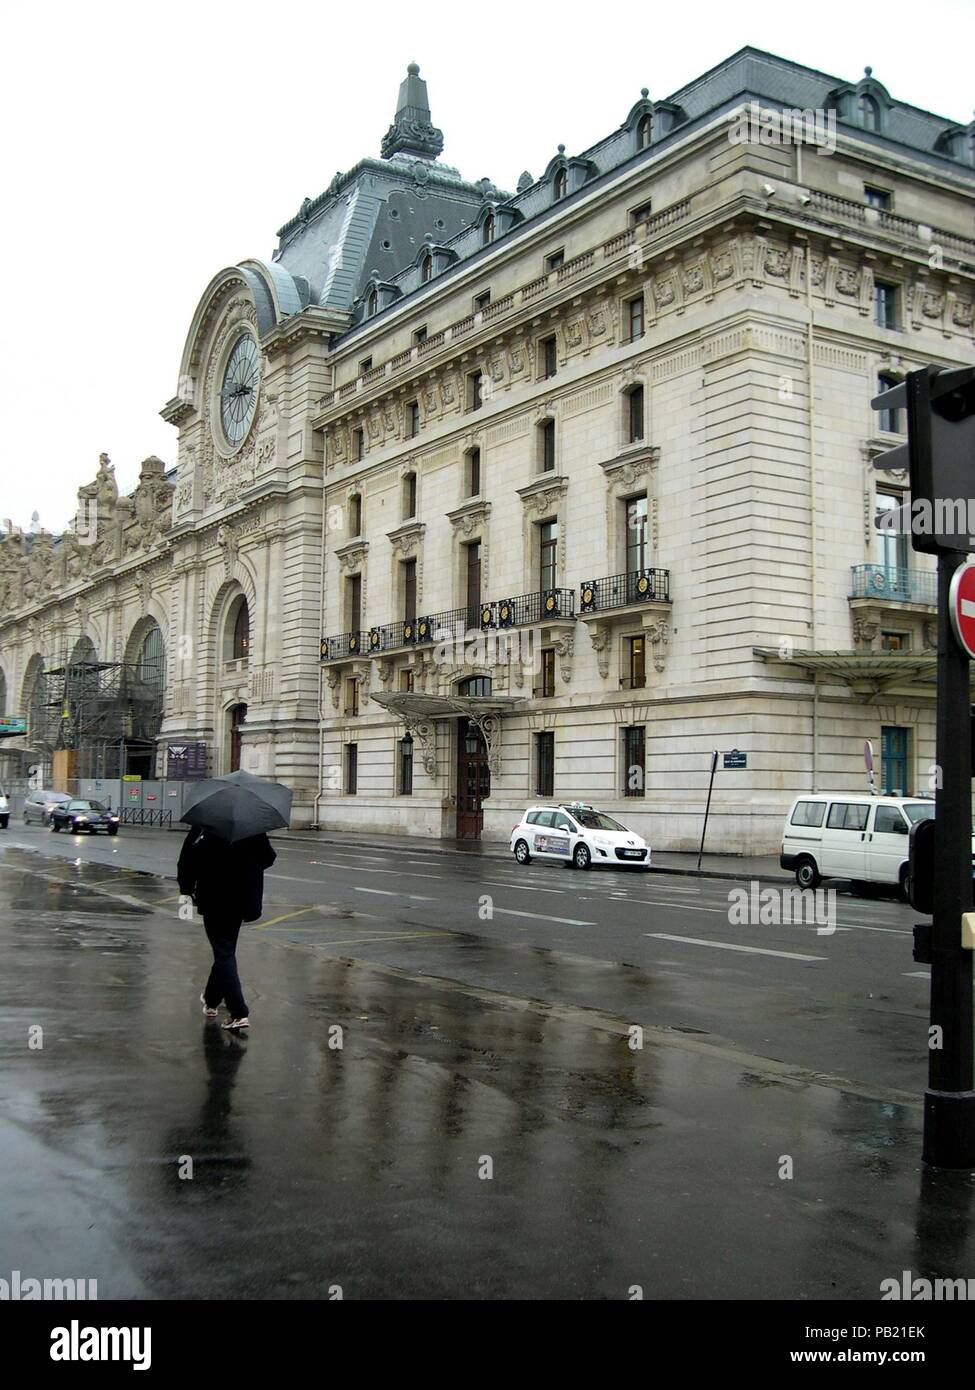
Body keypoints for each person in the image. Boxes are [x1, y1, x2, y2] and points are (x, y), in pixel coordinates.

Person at [177, 827, 276, 1031]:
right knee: (225, 951)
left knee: (223, 953)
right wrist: (245, 866)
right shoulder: (251, 826)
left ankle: (239, 1012)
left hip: (214, 898)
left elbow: (187, 860)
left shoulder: (206, 824)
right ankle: (211, 1001)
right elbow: (268, 857)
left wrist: (186, 890)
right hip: (242, 899)